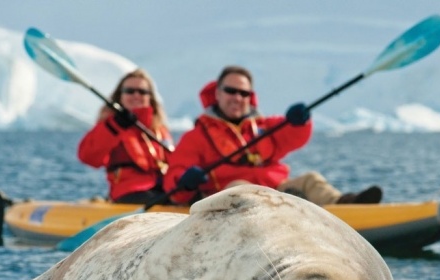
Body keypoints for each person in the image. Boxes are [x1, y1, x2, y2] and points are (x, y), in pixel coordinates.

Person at [163, 65, 382, 206]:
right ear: (217, 93)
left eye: (244, 93)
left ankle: (345, 206)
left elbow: (293, 135)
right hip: (229, 201)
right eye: (231, 91)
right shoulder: (196, 136)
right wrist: (185, 181)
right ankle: (292, 210)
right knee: (240, 186)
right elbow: (175, 178)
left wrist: (300, 121)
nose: (237, 97)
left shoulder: (264, 126)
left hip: (275, 192)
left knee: (310, 180)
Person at [78, 68, 174, 203]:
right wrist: (116, 125)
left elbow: (175, 163)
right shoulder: (110, 126)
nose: (136, 95)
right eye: (130, 91)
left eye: (142, 91)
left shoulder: (160, 130)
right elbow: (88, 157)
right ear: (120, 96)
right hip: (129, 191)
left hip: (164, 189)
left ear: (150, 97)